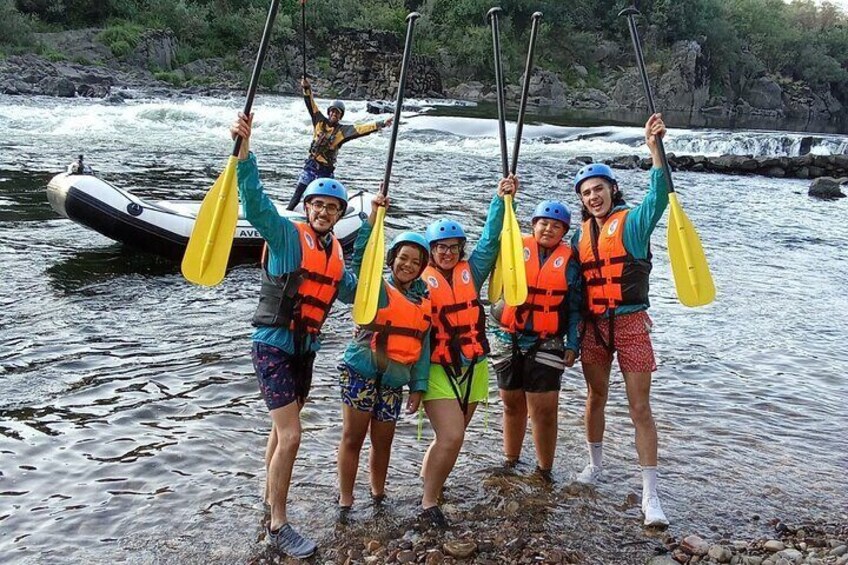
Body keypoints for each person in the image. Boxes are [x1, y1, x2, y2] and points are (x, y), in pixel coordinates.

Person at [231, 111, 365, 558]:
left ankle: (269, 499)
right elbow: (255, 203)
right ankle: (278, 524)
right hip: (272, 344)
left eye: (333, 208)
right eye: (318, 205)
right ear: (307, 208)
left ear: (339, 214)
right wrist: (244, 151)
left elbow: (351, 296)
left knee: (278, 431)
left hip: (305, 350)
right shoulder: (288, 236)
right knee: (291, 435)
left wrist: (377, 228)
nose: (325, 212)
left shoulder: (337, 254)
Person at [570, 113, 670, 527]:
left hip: (629, 322)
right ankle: (595, 465)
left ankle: (651, 494)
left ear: (613, 189)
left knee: (639, 407)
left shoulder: (632, 223)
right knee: (595, 398)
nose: (593, 197)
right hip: (594, 326)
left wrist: (654, 149)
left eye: (599, 189)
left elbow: (660, 195)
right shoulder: (579, 236)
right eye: (587, 193)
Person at [417, 175, 517, 528]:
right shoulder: (418, 281)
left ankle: (431, 485)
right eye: (440, 247)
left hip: (473, 365)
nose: (447, 252)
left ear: (461, 249)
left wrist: (503, 200)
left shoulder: (470, 274)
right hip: (437, 369)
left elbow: (491, 241)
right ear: (430, 250)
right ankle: (429, 503)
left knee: (452, 439)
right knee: (452, 435)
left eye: (454, 247)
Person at [336, 216, 432, 520]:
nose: (408, 265)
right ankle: (346, 500)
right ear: (392, 259)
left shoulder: (424, 302)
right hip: (361, 372)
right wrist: (372, 222)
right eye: (403, 257)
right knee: (353, 437)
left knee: (383, 441)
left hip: (393, 380)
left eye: (415, 261)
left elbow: (423, 349)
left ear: (421, 267)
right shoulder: (375, 287)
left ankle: (378, 495)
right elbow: (362, 259)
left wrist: (418, 386)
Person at [493, 199, 581, 481]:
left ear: (564, 232)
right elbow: (493, 233)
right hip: (511, 335)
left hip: (549, 339)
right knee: (511, 403)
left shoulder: (569, 262)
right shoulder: (514, 247)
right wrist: (504, 199)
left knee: (544, 410)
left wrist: (572, 343)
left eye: (556, 226)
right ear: (533, 225)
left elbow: (575, 306)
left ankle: (544, 470)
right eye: (543, 223)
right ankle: (510, 460)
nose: (548, 229)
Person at [287, 77, 394, 210]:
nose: (334, 114)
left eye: (337, 112)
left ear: (340, 116)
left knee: (322, 198)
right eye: (332, 111)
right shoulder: (319, 120)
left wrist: (382, 123)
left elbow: (361, 129)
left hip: (326, 171)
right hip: (311, 167)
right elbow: (310, 103)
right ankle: (288, 213)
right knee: (297, 194)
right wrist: (306, 88)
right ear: (329, 112)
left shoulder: (343, 131)